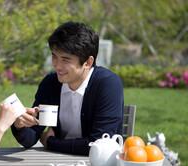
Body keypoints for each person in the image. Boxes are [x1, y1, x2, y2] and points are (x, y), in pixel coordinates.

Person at [11, 21, 124, 155]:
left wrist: (51, 142)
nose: (57, 65)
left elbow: (97, 145)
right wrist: (19, 126)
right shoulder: (51, 83)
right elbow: (32, 138)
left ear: (88, 62)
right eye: (54, 56)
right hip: (56, 163)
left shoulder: (108, 84)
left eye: (65, 59)